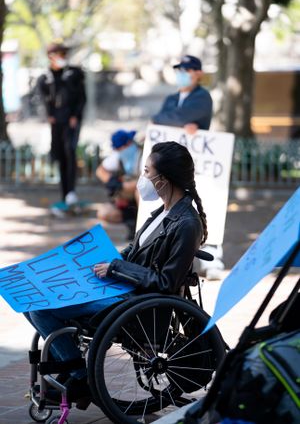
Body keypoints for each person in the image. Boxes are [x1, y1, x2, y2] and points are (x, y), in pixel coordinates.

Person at [25, 141, 207, 408]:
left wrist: (116, 268)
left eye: (147, 172)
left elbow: (166, 283)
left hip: (138, 304)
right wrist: (100, 259)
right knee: (31, 300)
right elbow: (135, 250)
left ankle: (79, 376)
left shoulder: (187, 223)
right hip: (122, 289)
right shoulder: (161, 211)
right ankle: (72, 369)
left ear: (163, 180)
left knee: (40, 308)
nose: (142, 179)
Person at [152, 54, 225, 280]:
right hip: (176, 163)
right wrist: (177, 121)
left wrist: (175, 119)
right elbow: (158, 117)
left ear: (198, 73)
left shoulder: (203, 97)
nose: (182, 74)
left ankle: (211, 254)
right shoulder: (172, 98)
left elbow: (174, 117)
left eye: (188, 69)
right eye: (179, 70)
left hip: (200, 163)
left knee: (205, 204)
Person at [38, 41, 86, 207]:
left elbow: (81, 97)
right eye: (59, 54)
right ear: (51, 57)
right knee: (60, 156)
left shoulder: (74, 73)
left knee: (70, 151)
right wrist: (49, 115)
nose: (62, 58)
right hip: (56, 122)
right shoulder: (46, 77)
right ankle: (64, 193)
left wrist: (75, 115)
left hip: (71, 121)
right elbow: (43, 99)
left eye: (64, 54)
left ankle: (72, 192)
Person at [96, 129, 142, 239]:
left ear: (129, 143)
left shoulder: (143, 155)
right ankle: (132, 225)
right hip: (127, 201)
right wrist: (113, 183)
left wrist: (124, 187)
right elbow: (100, 171)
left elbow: (145, 182)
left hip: (142, 196)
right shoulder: (118, 156)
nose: (119, 151)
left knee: (139, 191)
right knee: (104, 212)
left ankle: (144, 227)